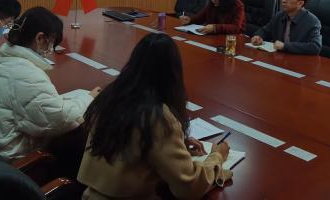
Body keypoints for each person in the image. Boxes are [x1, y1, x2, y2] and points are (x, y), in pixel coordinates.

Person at [78, 33, 231, 200]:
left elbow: (128, 144)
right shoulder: (157, 116)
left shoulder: (109, 96)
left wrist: (179, 144)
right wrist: (217, 157)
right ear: (172, 73)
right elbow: (189, 187)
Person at [0, 7, 98, 160]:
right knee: (83, 126)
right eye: (52, 42)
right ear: (40, 38)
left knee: (78, 95)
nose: (51, 50)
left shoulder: (2, 59)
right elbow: (59, 120)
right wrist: (90, 99)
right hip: (8, 158)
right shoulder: (27, 74)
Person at [249, 0, 322, 55]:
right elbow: (265, 31)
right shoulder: (279, 15)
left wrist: (285, 46)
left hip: (298, 59)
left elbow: (315, 47)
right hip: (279, 57)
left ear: (300, 3)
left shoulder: (312, 21)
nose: (283, 0)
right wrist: (258, 36)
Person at [178, 0, 245, 35]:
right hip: (215, 37)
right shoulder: (212, 3)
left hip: (233, 39)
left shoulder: (237, 5)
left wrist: (215, 28)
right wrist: (190, 20)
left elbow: (236, 27)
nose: (213, 0)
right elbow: (201, 17)